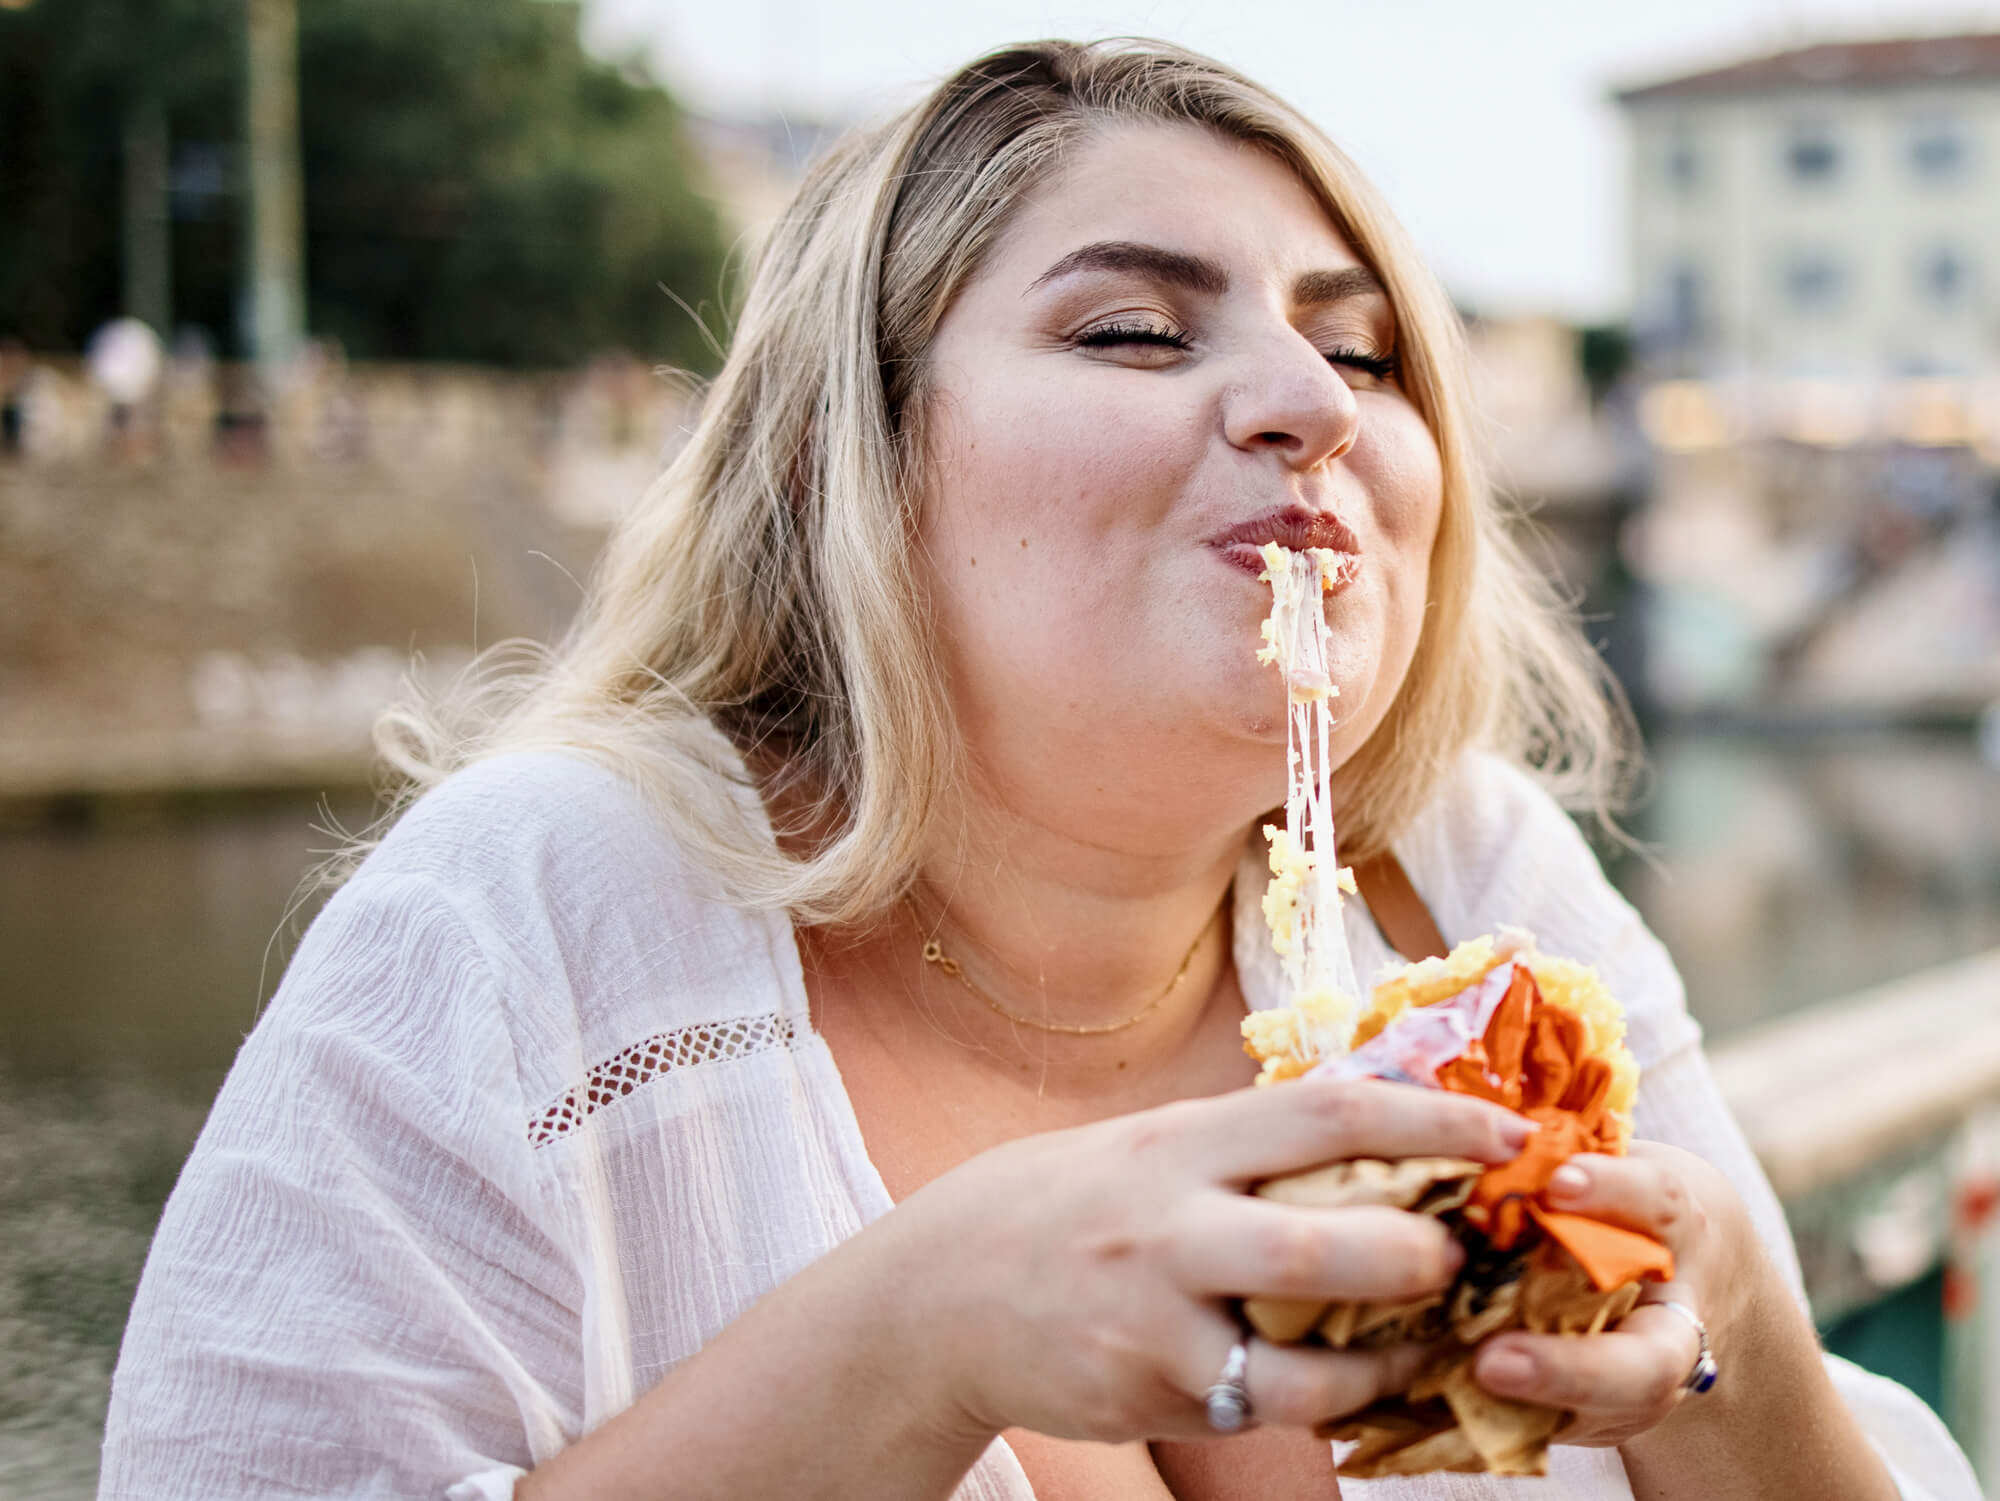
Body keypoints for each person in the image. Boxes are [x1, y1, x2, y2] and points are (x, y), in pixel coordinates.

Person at [99, 39, 1978, 1501]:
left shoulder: (1468, 881)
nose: (1313, 402)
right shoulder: (529, 917)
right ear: (859, 463)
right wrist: (922, 1330)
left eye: (1369, 352)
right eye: (1135, 330)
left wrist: (1724, 1305)